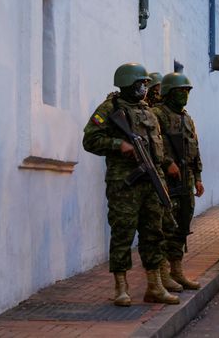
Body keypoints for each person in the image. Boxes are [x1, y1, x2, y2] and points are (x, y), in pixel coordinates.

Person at [82, 63, 180, 307]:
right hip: (124, 184)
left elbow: (158, 148)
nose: (144, 88)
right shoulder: (110, 109)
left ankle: (155, 285)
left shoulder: (148, 112)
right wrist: (119, 145)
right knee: (123, 233)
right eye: (140, 84)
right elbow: (90, 140)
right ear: (127, 83)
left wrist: (163, 175)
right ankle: (121, 287)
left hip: (151, 181)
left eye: (146, 84)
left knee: (153, 233)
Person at [153, 72, 205, 291]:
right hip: (166, 180)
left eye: (187, 91)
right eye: (180, 91)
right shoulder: (157, 114)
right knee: (166, 226)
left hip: (186, 179)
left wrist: (199, 178)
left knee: (183, 225)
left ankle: (177, 271)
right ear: (168, 93)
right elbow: (152, 145)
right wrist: (166, 163)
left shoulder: (187, 118)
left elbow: (195, 149)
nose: (185, 95)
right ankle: (163, 274)